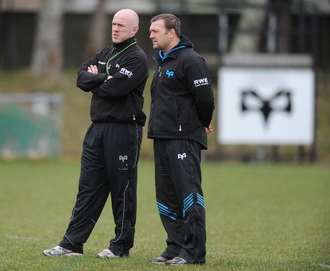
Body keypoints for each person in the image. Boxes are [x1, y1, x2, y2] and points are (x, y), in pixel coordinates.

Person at [42, 9, 148, 259]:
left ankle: (120, 246)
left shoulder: (137, 58)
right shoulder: (105, 53)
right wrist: (105, 77)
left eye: (121, 25)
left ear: (134, 29)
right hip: (97, 129)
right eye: (113, 23)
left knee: (122, 189)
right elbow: (80, 79)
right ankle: (71, 244)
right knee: (88, 187)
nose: (115, 28)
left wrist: (97, 78)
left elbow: (115, 89)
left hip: (123, 129)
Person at [147, 13, 215, 266]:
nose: (151, 35)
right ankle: (175, 247)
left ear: (171, 32)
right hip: (162, 137)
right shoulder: (162, 62)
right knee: (166, 196)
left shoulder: (191, 60)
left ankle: (194, 252)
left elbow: (206, 99)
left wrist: (202, 122)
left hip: (183, 138)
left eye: (155, 30)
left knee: (189, 195)